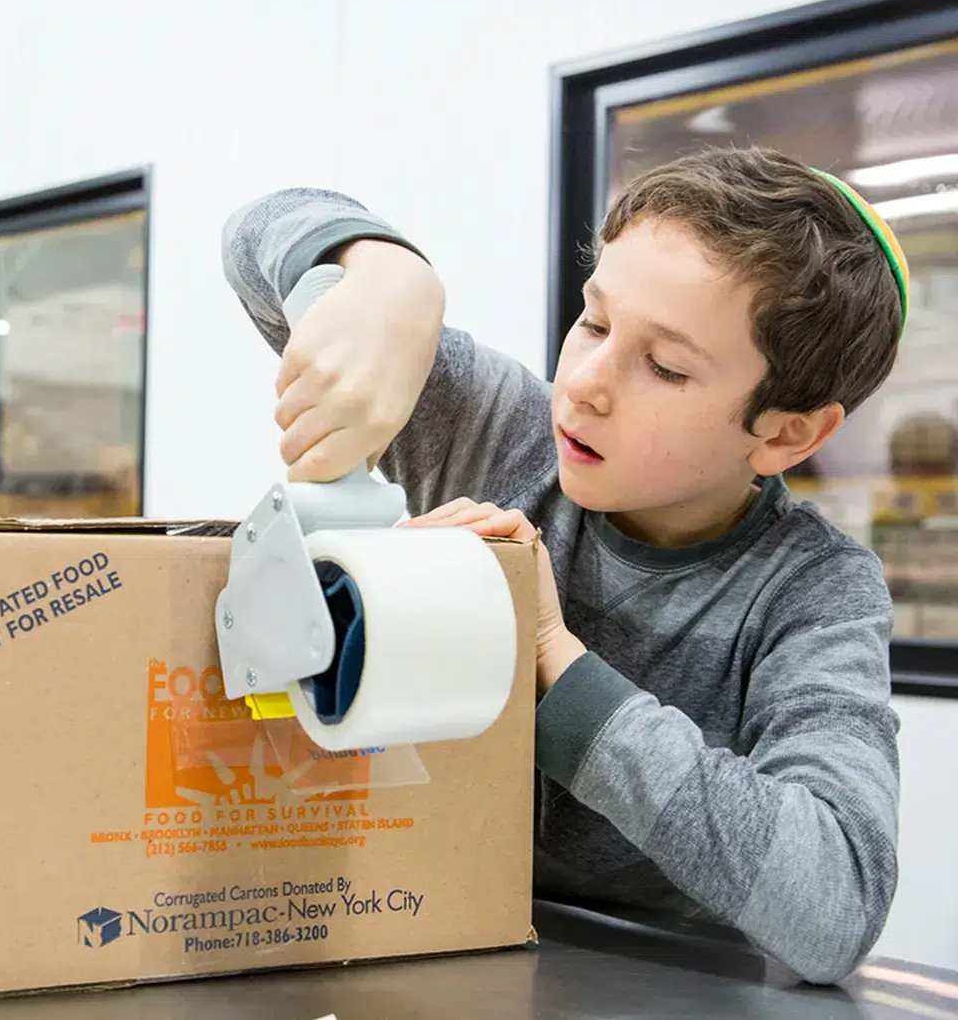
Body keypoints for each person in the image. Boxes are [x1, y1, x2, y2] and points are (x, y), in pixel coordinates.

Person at [220, 146, 904, 985]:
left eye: (665, 366)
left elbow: (836, 906)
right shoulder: (498, 431)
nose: (584, 384)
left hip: (650, 982)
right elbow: (255, 241)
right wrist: (387, 277)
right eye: (595, 320)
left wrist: (551, 656)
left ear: (787, 432)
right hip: (414, 932)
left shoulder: (813, 589)